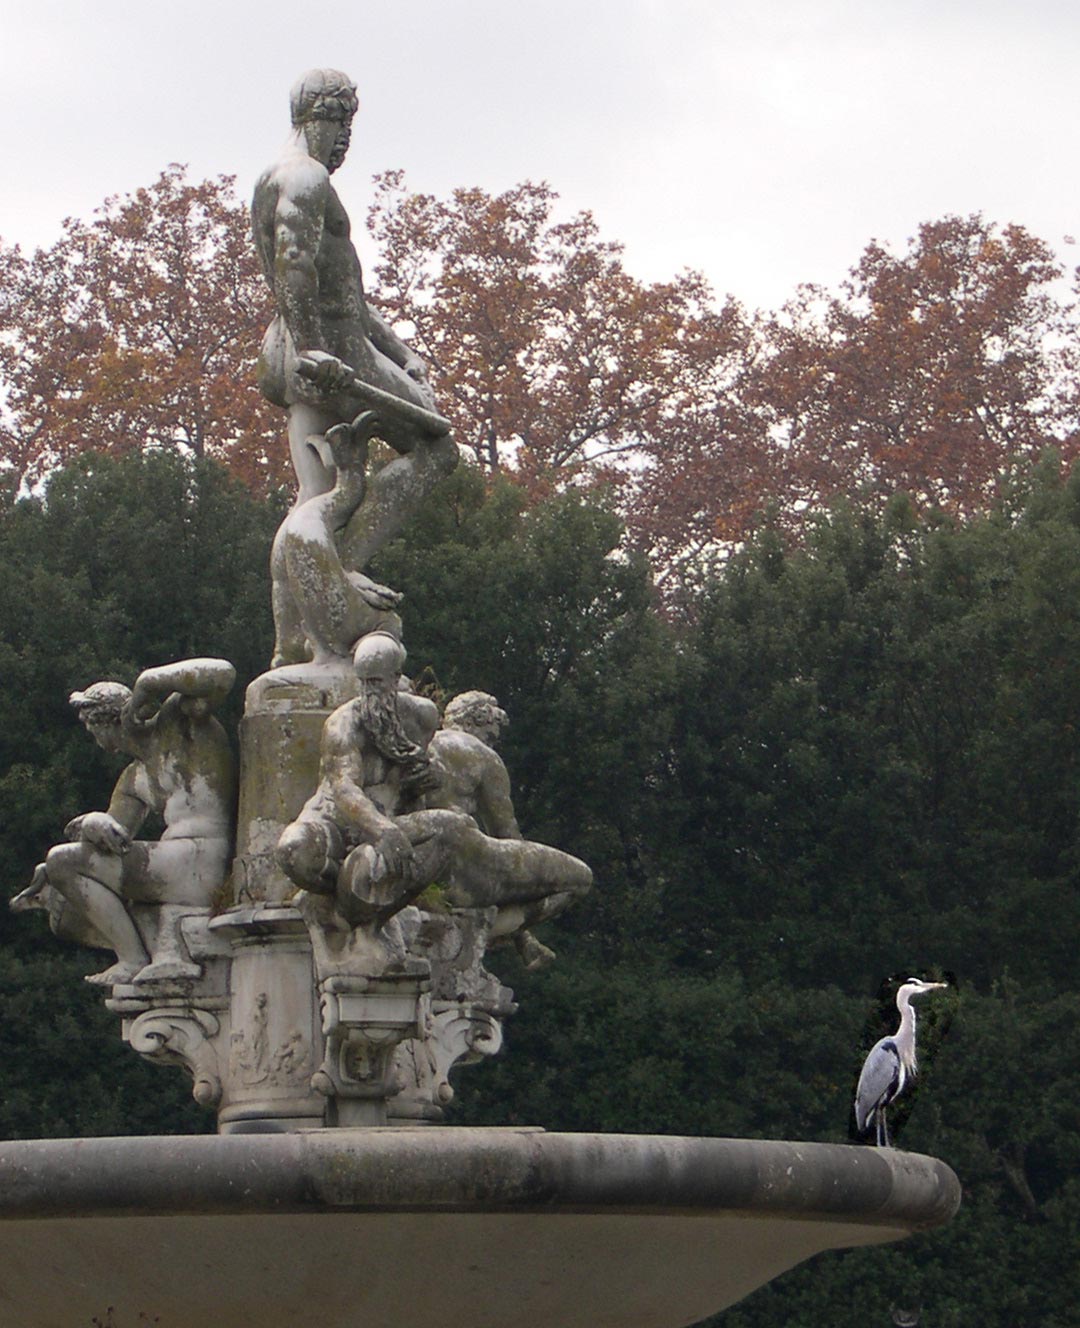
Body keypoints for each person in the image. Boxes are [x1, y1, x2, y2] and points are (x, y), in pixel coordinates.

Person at [253, 71, 458, 669]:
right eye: (344, 125)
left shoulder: (274, 175)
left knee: (314, 495)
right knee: (437, 448)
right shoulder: (305, 177)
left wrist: (401, 351)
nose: (346, 141)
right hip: (334, 355)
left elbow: (346, 289)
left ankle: (291, 641)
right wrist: (320, 350)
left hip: (296, 353)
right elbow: (295, 264)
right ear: (324, 118)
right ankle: (341, 571)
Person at [277, 635, 592, 946]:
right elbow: (344, 788)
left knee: (452, 826)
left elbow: (416, 791)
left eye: (379, 683)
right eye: (366, 684)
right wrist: (383, 830)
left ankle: (351, 909)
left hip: (390, 825)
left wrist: (413, 787)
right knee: (294, 850)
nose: (372, 693)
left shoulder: (422, 717)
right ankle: (343, 906)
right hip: (336, 822)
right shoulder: (342, 725)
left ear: (396, 678)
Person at [12, 659, 237, 985]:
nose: (93, 736)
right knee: (62, 880)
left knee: (63, 861)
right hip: (175, 864)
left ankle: (132, 959)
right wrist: (92, 823)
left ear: (104, 722)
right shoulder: (133, 778)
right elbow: (113, 844)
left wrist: (147, 684)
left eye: (91, 726)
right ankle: (133, 958)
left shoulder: (179, 723)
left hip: (206, 855)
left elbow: (222, 674)